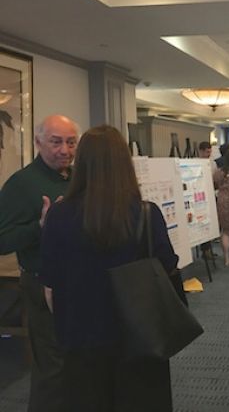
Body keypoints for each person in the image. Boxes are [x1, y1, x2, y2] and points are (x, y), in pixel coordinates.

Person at [39, 125, 178, 412]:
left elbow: (50, 288)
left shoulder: (59, 216)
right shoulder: (146, 214)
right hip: (140, 336)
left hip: (81, 338)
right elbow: (168, 269)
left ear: (82, 163)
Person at [0, 114, 78, 412]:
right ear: (38, 143)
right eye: (56, 142)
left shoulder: (75, 178)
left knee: (77, 361)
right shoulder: (21, 184)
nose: (65, 150)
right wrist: (41, 226)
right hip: (41, 283)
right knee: (52, 367)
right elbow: (3, 241)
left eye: (71, 142)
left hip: (78, 282)